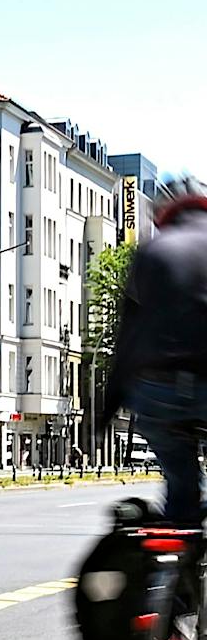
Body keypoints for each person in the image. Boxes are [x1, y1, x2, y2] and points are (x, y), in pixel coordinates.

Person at [103, 173, 207, 526]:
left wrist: (107, 408)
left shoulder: (151, 251)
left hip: (156, 390)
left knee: (181, 489)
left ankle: (175, 555)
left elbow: (128, 338)